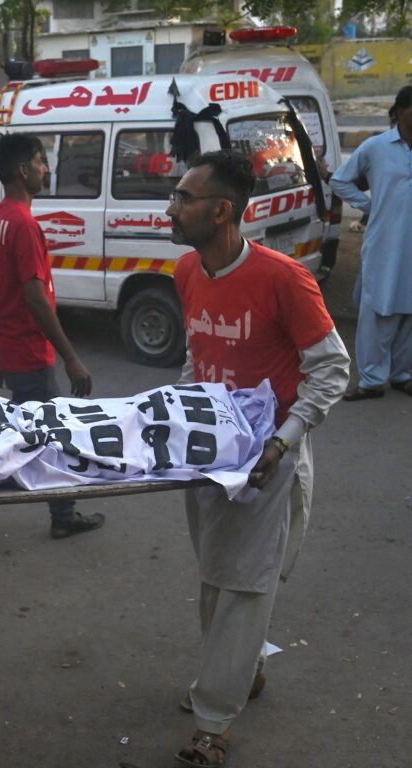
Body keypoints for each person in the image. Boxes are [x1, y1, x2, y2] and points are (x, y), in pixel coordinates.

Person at [168, 150, 349, 767]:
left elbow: (331, 370)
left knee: (243, 586)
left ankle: (213, 722)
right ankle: (244, 670)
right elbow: (197, 359)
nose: (173, 207)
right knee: (217, 578)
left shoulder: (284, 279)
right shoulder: (187, 272)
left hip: (269, 461)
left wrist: (282, 441)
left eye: (185, 198)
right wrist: (178, 422)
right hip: (209, 460)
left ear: (221, 211)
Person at [0, 133, 105, 540]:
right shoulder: (23, 224)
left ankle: (62, 511)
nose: (45, 169)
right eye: (40, 161)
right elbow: (33, 298)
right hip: (31, 353)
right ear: (22, 169)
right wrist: (71, 357)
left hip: (11, 350)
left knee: (32, 436)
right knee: (37, 441)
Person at [330, 87, 412, 401]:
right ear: (401, 111)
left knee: (409, 313)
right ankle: (371, 380)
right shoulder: (376, 147)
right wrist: (367, 206)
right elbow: (340, 180)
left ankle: (403, 374)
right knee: (378, 311)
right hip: (385, 243)